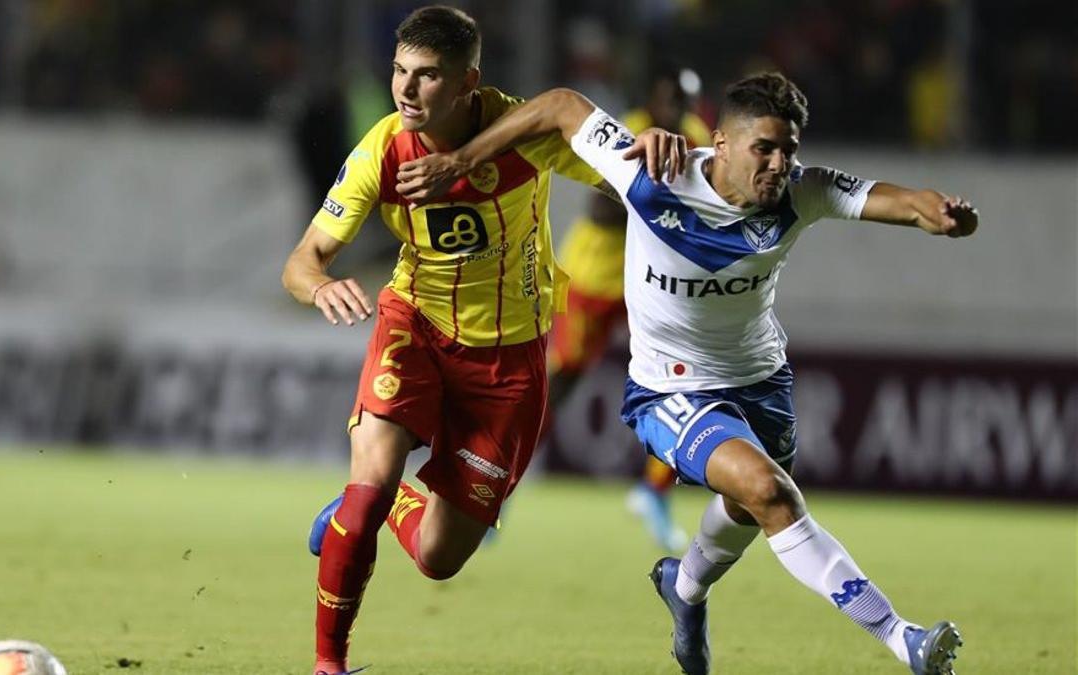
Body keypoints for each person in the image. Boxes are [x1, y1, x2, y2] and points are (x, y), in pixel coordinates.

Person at [394, 72, 976, 675]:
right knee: (771, 492)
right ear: (721, 144)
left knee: (749, 504)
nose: (781, 165)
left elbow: (903, 201)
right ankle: (901, 636)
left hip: (761, 384)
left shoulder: (801, 193)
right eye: (766, 150)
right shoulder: (651, 173)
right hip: (669, 390)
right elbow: (564, 107)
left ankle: (686, 587)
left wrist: (942, 214)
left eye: (789, 150)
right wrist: (460, 159)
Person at [279, 7, 604, 674]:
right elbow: (301, 260)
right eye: (400, 71)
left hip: (509, 360)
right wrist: (319, 286)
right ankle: (327, 664)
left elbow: (601, 148)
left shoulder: (519, 133)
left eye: (427, 77)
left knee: (437, 557)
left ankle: (368, 505)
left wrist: (659, 155)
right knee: (368, 487)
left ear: (467, 84)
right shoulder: (382, 148)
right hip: (414, 326)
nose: (405, 89)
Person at [549, 68, 712, 553]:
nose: (677, 113)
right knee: (566, 377)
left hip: (651, 279)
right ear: (653, 100)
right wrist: (662, 202)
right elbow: (600, 209)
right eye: (670, 102)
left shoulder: (695, 137)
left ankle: (654, 492)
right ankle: (503, 484)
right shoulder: (629, 130)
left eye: (686, 104)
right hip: (595, 275)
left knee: (684, 375)